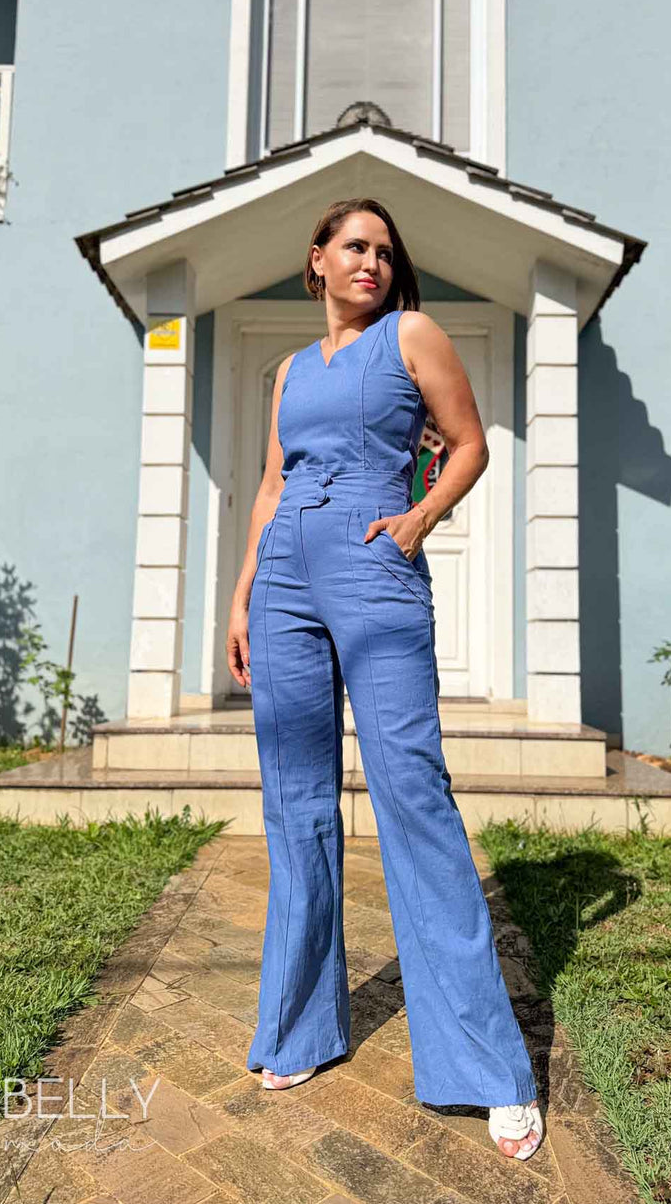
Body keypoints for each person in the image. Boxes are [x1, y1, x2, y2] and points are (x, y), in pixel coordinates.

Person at [226, 197, 543, 1161]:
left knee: (412, 793)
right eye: (354, 247)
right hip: (284, 578)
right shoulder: (290, 371)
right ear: (317, 259)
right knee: (295, 804)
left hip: (375, 565)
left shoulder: (412, 335)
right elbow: (273, 485)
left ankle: (486, 1069)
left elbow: (470, 443)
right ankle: (298, 1031)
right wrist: (243, 596)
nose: (372, 261)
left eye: (385, 251)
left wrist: (419, 517)